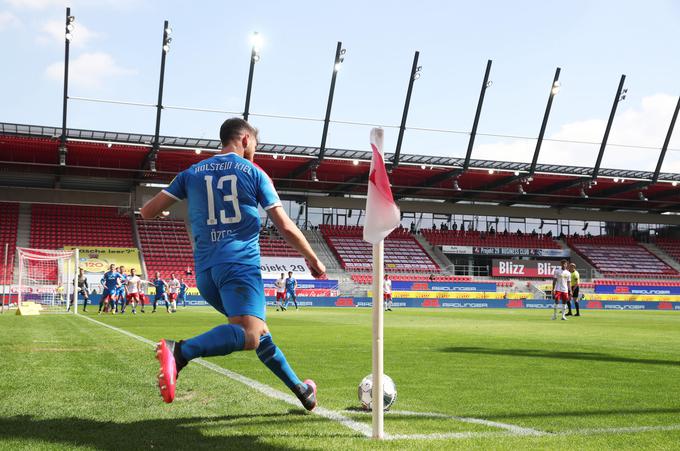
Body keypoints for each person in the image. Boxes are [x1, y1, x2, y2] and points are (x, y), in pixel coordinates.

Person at [140, 117, 325, 408]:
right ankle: (181, 352)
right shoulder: (254, 172)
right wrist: (312, 258)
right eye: (255, 146)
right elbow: (285, 226)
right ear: (246, 139)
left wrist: (164, 213)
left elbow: (148, 212)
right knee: (250, 334)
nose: (255, 152)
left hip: (206, 274)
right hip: (239, 266)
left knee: (259, 333)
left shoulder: (192, 172)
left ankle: (303, 391)